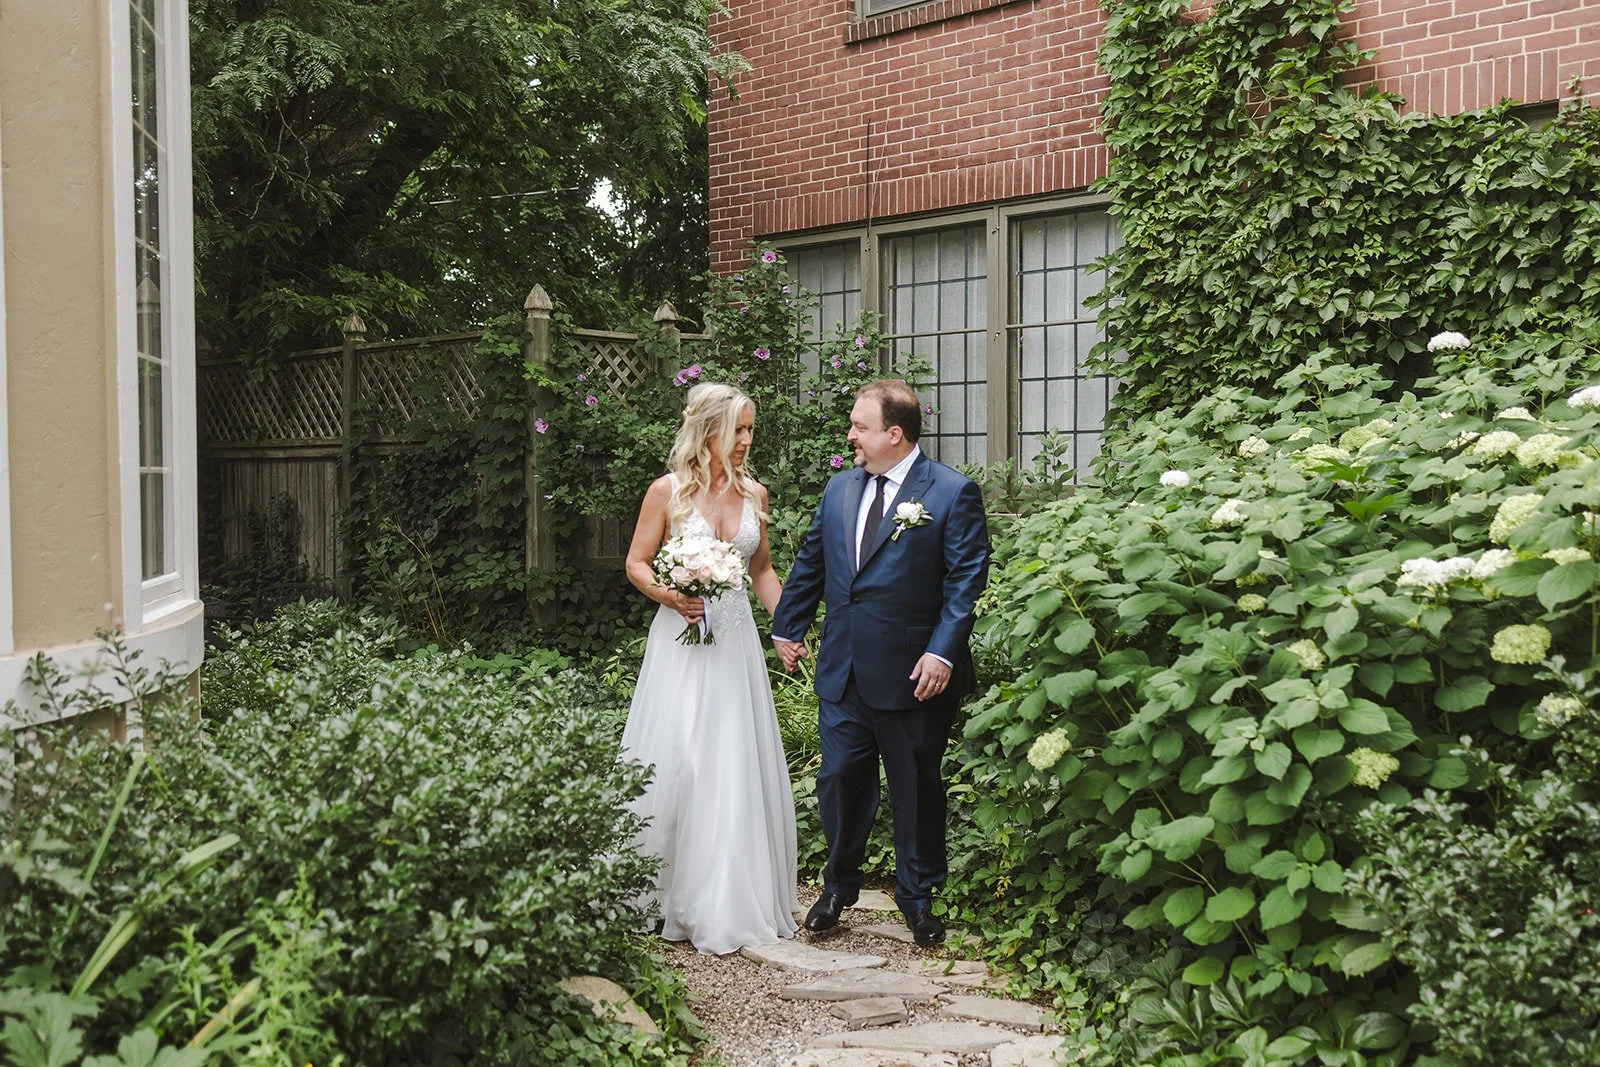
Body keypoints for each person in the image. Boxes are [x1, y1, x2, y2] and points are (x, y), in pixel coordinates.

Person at [771, 379, 991, 947]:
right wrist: (786, 625)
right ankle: (838, 889)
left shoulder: (949, 492)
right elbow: (813, 558)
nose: (850, 436)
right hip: (843, 669)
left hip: (915, 673)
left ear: (895, 434)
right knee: (839, 780)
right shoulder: (840, 488)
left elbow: (965, 581)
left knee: (915, 786)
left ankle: (918, 898)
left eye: (859, 427)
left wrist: (941, 650)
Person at [620, 382, 799, 955]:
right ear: (709, 432)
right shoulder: (666, 493)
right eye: (738, 430)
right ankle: (660, 891)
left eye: (751, 430)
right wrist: (670, 597)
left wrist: (786, 626)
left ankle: (725, 895)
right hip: (679, 640)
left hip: (735, 645)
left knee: (729, 760)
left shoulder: (755, 495)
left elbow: (764, 571)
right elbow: (636, 563)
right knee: (682, 757)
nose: (746, 441)